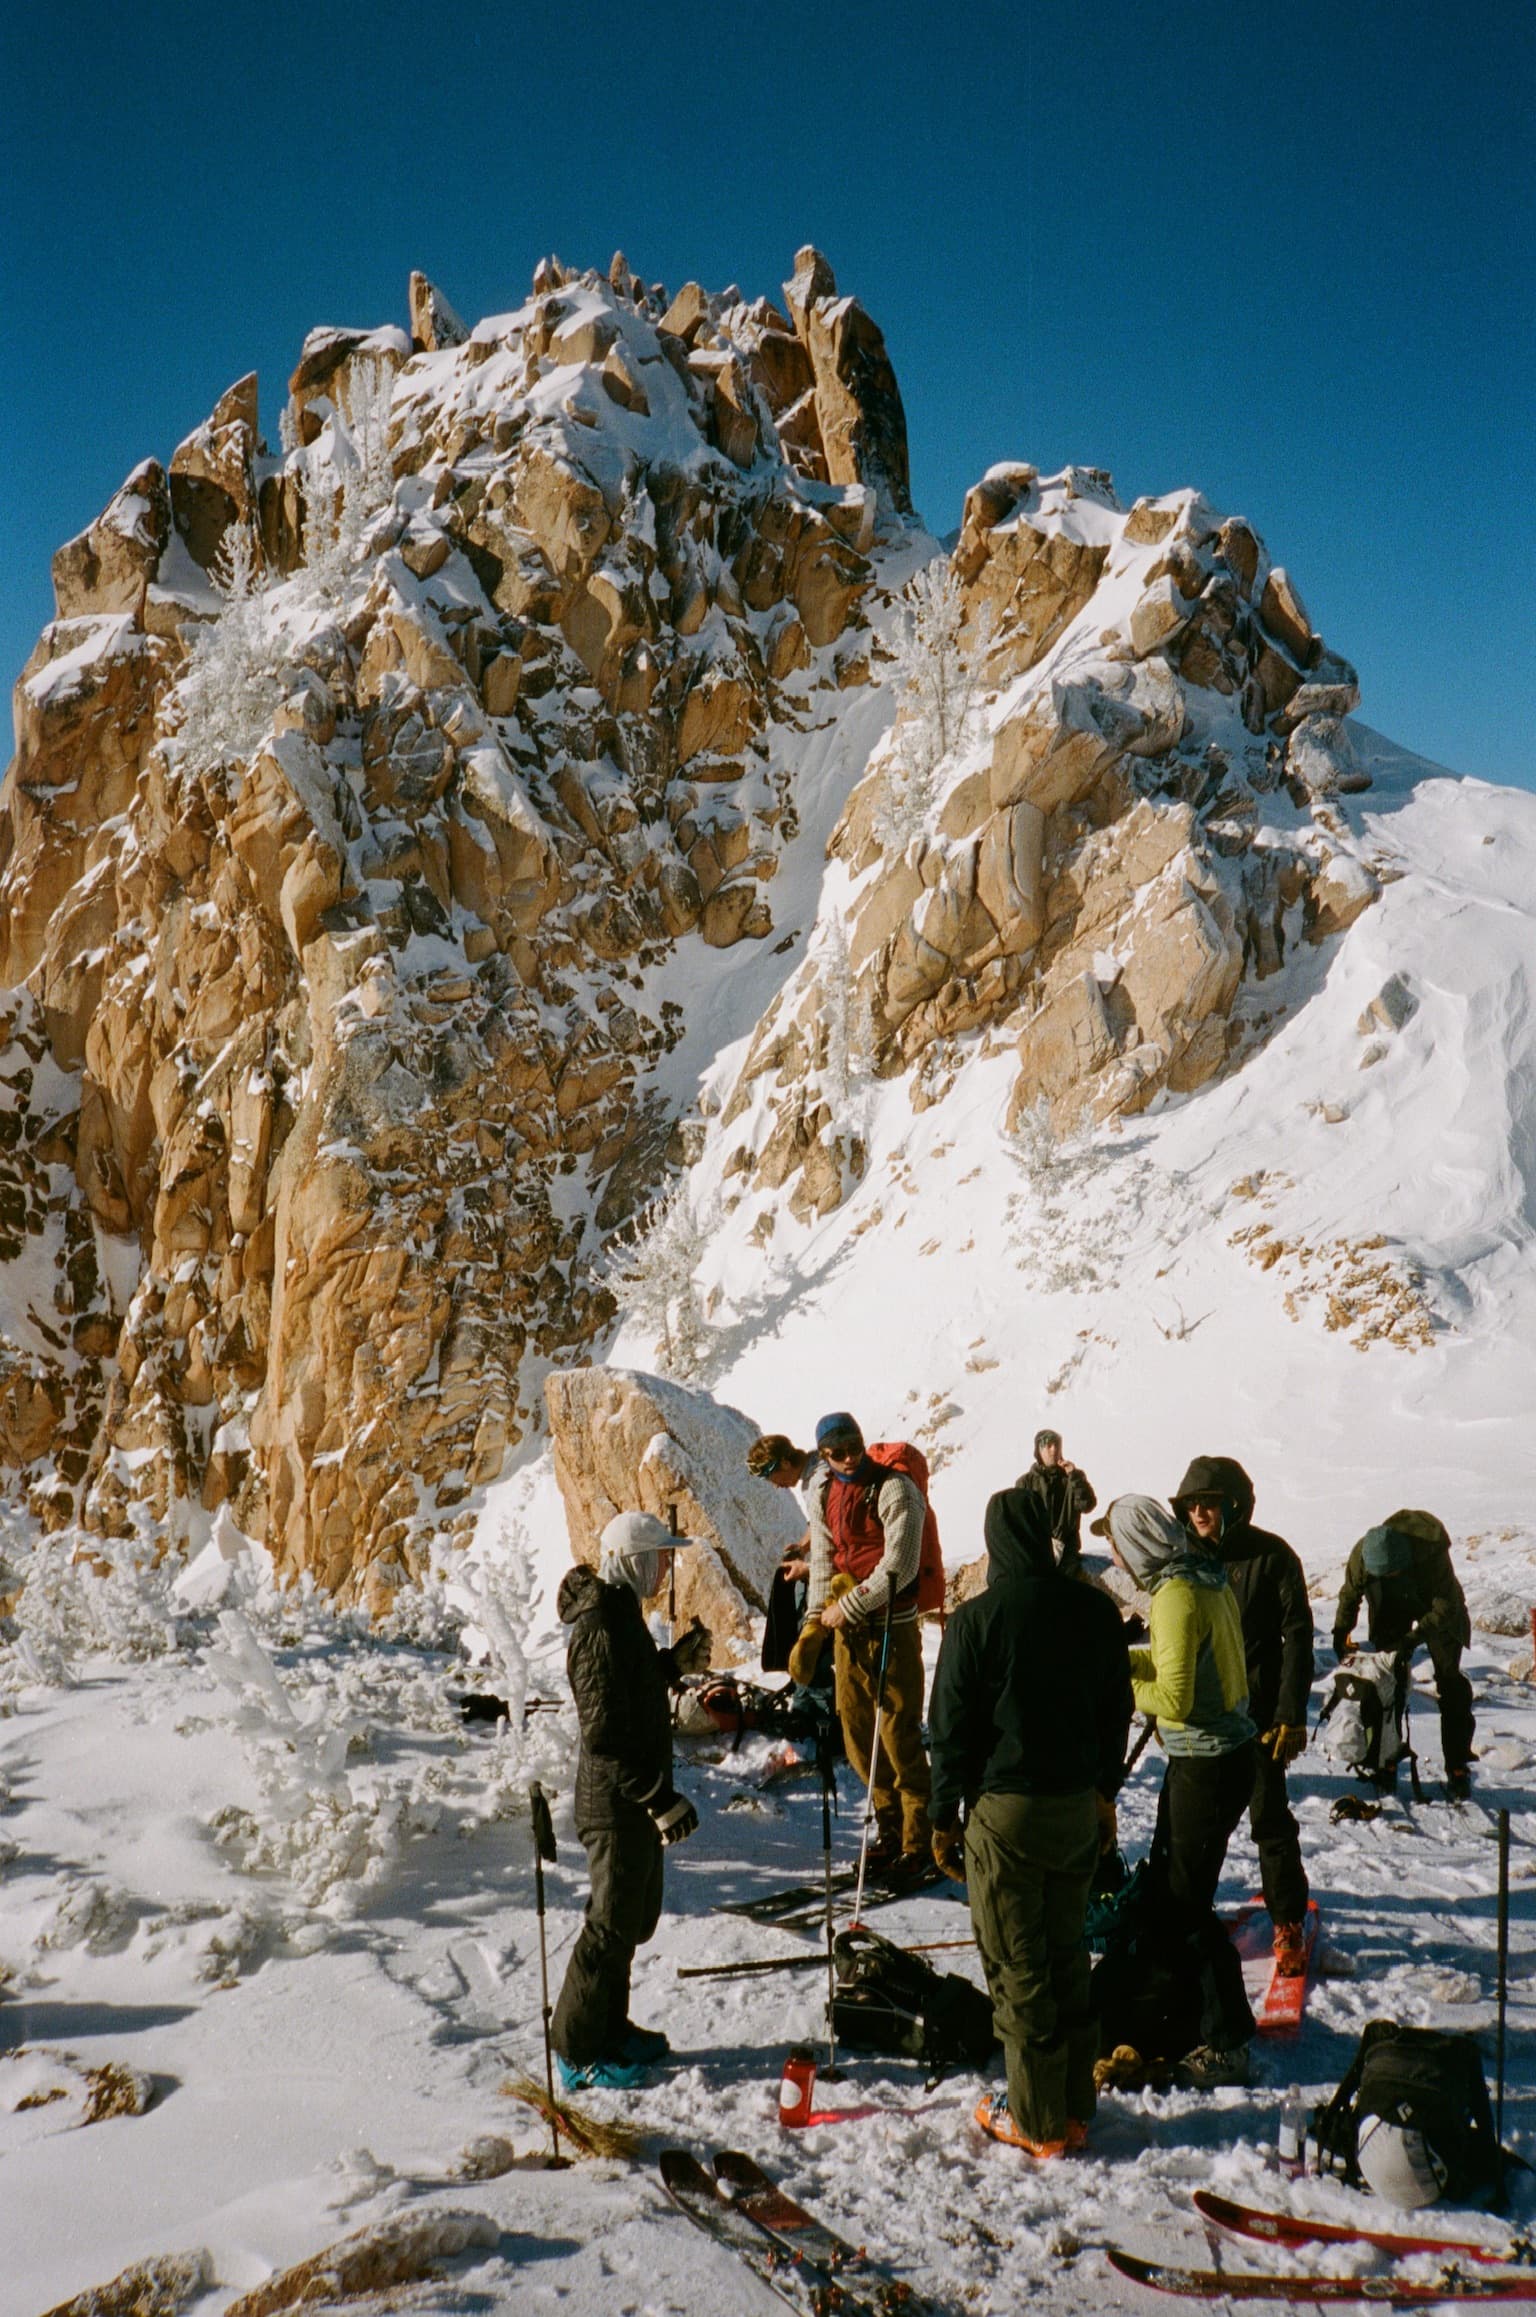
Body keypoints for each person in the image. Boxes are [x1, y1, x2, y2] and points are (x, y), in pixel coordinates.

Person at [929, 1485, 1133, 2158]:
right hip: (1075, 1808)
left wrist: (941, 1814)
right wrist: (1104, 1791)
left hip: (1006, 1813)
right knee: (1067, 1950)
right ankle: (1075, 2105)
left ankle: (1037, 2119)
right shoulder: (1094, 1610)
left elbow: (950, 1728)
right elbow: (1117, 1709)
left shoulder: (976, 1619)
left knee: (1018, 1963)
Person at [1092, 1495, 1257, 2088]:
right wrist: (1125, 1665)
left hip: (1206, 1764)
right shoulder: (1202, 1578)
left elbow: (1176, 1700)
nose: (1113, 1554)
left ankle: (1229, 2041)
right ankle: (1179, 2009)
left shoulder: (1174, 1597)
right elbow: (1178, 1673)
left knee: (1185, 1905)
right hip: (1219, 1757)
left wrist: (1118, 1687)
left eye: (1115, 1543)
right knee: (1171, 1892)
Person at [550, 1511, 710, 2090]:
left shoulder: (622, 1615)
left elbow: (631, 1686)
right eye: (661, 1557)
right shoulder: (599, 1626)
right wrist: (659, 1798)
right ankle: (577, 2049)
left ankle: (609, 2029)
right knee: (609, 1926)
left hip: (631, 1800)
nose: (666, 1568)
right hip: (617, 1803)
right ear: (633, 1558)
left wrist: (675, 1663)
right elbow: (604, 1735)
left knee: (630, 1922)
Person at [1171, 1455, 1314, 1976]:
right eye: (1192, 1503)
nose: (1199, 1512)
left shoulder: (1272, 1556)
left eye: (1209, 1502)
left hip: (1257, 1717)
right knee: (1194, 1828)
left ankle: (1287, 1921)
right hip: (1200, 1720)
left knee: (1269, 1819)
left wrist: (1290, 1713)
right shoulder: (1182, 1557)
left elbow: (1298, 1637)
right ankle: (1185, 1920)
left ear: (1235, 1505)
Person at [804, 1412, 932, 1880]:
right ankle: (890, 1831)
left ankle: (921, 1839)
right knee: (859, 1738)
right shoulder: (824, 1492)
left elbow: (900, 1562)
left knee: (899, 1735)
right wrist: (814, 1624)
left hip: (891, 1629)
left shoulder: (895, 1489)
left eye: (854, 1445)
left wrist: (849, 1608)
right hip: (849, 1632)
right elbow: (824, 1559)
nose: (849, 1456)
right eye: (838, 1452)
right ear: (824, 1455)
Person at [1333, 1510, 1474, 1799]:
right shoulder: (1364, 1555)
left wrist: (1412, 1639)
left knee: (1450, 1683)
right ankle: (1386, 1759)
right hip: (1390, 1606)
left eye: (1392, 1573)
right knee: (1386, 1683)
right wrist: (1340, 1631)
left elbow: (1446, 1608)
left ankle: (1457, 1765)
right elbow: (1350, 1594)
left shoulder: (1432, 1555)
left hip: (1438, 1608)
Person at [746, 1434, 834, 1721]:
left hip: (833, 1578)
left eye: (773, 1474)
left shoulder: (819, 1482)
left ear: (786, 1461)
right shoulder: (813, 1473)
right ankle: (805, 1697)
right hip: (823, 1572)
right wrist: (803, 1546)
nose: (774, 1484)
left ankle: (818, 1714)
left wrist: (807, 1569)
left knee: (813, 1643)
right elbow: (819, 1525)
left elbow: (836, 1544)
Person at [1015, 1429, 1097, 1574]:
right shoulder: (1025, 1483)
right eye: (1049, 1446)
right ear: (1038, 1450)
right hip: (1036, 1553)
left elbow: (1087, 1505)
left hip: (1067, 1554)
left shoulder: (1072, 1477)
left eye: (1057, 1445)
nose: (1054, 1450)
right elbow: (1019, 1522)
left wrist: (1075, 1477)